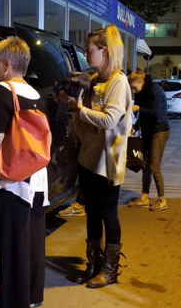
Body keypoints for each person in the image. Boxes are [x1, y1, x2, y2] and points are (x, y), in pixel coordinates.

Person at [0, 37, 49, 308]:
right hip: (37, 177)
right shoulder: (37, 94)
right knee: (32, 239)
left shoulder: (1, 90)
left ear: (6, 64)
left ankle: (12, 302)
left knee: (11, 240)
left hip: (12, 179)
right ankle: (32, 294)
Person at [62, 25, 132, 289]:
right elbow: (85, 125)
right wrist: (73, 109)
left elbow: (110, 119)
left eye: (90, 50)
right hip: (87, 159)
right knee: (91, 213)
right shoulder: (93, 81)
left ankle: (110, 270)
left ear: (104, 51)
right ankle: (92, 264)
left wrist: (80, 110)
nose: (87, 54)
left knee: (108, 215)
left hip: (108, 163)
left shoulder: (119, 82)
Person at [127, 71, 170, 211]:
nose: (133, 91)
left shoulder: (156, 91)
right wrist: (134, 127)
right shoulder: (140, 94)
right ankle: (144, 197)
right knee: (145, 165)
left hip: (159, 131)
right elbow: (142, 115)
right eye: (131, 88)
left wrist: (139, 108)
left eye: (134, 87)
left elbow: (155, 114)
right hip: (147, 130)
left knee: (153, 166)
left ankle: (162, 199)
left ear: (142, 82)